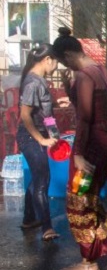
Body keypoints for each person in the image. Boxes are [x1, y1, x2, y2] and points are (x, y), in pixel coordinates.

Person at [52, 27, 107, 270]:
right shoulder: (101, 70)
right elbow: (93, 106)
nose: (66, 66)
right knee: (91, 199)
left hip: (89, 148)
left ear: (70, 54)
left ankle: (88, 262)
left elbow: (83, 118)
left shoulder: (84, 75)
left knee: (79, 202)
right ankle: (102, 243)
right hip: (105, 146)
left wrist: (78, 153)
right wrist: (69, 88)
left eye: (64, 61)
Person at [16, 44, 60, 241]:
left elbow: (45, 114)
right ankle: (47, 227)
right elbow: (25, 116)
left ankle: (29, 218)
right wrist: (41, 139)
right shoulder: (34, 82)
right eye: (56, 61)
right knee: (42, 180)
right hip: (30, 136)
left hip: (39, 135)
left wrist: (54, 133)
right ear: (47, 59)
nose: (57, 65)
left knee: (38, 178)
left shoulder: (39, 81)